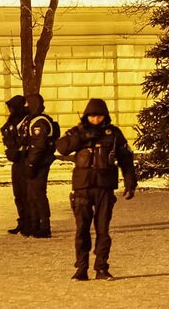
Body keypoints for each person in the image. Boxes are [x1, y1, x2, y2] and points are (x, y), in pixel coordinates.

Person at [55, 97, 137, 281]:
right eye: (92, 117)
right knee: (82, 229)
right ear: (86, 116)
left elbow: (126, 159)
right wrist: (81, 137)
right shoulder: (77, 131)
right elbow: (62, 148)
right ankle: (81, 268)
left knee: (103, 230)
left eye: (99, 116)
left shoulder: (113, 134)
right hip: (83, 187)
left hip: (104, 188)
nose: (96, 120)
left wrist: (130, 182)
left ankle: (101, 267)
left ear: (105, 116)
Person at [21, 93, 59, 238]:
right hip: (36, 162)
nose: (25, 107)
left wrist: (31, 163)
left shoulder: (39, 122)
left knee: (38, 194)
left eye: (28, 104)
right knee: (32, 194)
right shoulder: (33, 120)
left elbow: (38, 145)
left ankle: (44, 226)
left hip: (39, 163)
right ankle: (35, 224)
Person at [0, 93, 29, 234]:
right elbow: (5, 133)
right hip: (16, 161)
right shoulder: (11, 121)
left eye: (12, 107)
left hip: (26, 160)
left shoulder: (27, 120)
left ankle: (31, 222)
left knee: (27, 193)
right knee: (18, 194)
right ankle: (22, 221)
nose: (10, 111)